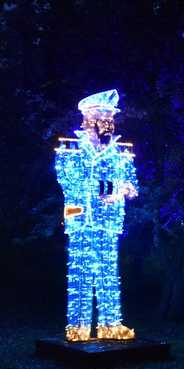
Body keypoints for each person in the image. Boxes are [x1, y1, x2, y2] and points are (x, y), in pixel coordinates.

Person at [54, 89, 139, 341]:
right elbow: (68, 181)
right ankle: (78, 327)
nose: (107, 123)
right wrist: (110, 186)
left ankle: (110, 325)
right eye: (102, 117)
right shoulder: (70, 148)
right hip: (80, 219)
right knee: (80, 276)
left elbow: (133, 186)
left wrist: (121, 189)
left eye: (110, 118)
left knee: (108, 274)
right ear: (87, 119)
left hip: (108, 221)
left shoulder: (121, 153)